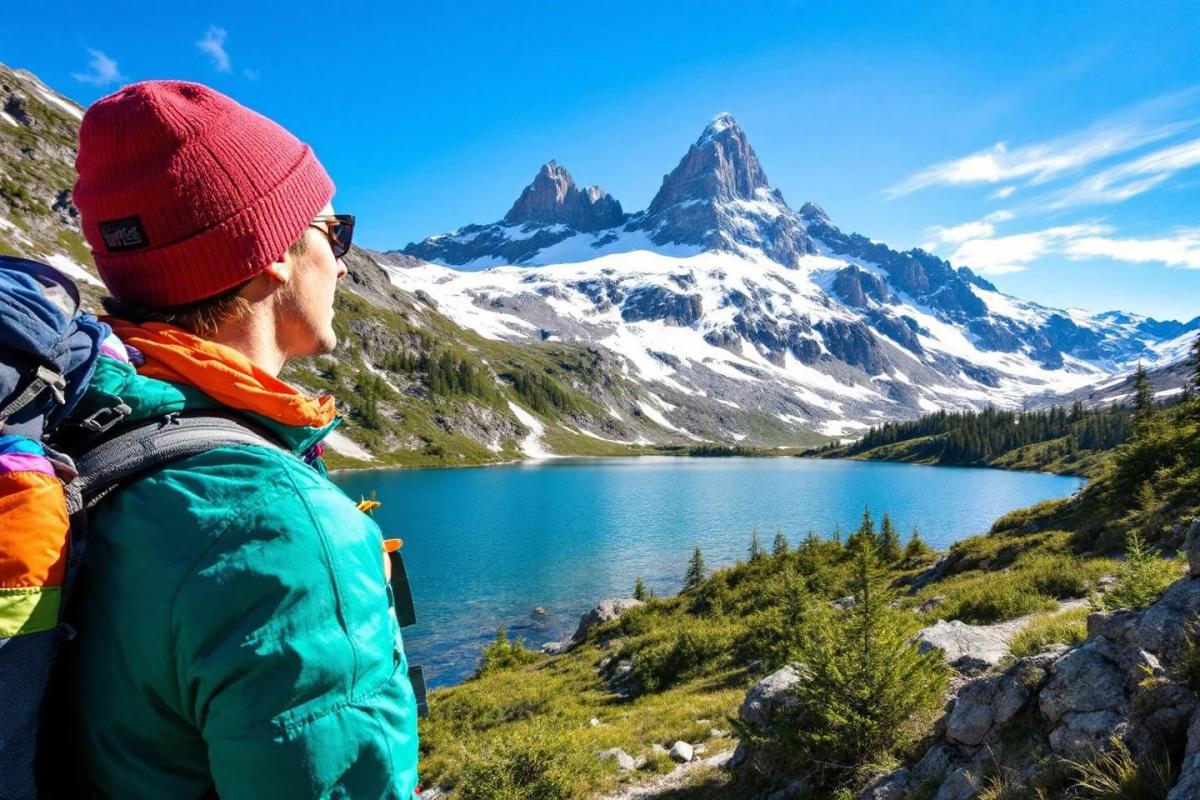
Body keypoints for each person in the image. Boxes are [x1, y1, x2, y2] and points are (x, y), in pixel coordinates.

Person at [64, 80, 419, 798]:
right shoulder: (275, 531)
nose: (346, 262)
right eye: (334, 230)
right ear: (272, 251)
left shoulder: (80, 422)